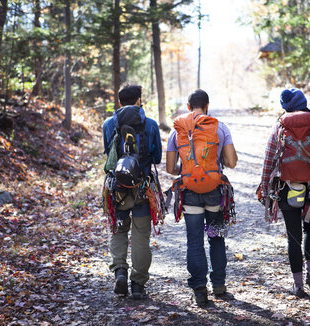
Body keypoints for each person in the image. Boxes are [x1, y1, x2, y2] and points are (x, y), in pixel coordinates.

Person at [259, 87, 310, 297]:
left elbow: (269, 159)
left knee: (293, 236)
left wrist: (263, 187)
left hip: (286, 188)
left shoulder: (279, 127)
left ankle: (297, 285)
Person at [166, 89, 238, 305]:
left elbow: (170, 168)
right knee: (216, 238)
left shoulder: (177, 130)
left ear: (188, 107)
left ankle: (199, 288)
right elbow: (232, 162)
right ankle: (218, 285)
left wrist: (189, 169)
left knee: (194, 241)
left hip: (189, 193)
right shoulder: (219, 127)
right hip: (215, 192)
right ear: (207, 105)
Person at [102, 84, 162, 298]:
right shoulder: (151, 125)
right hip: (143, 188)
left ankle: (119, 272)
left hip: (116, 188)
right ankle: (137, 285)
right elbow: (156, 158)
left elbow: (107, 153)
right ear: (139, 100)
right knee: (140, 236)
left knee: (118, 229)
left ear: (119, 102)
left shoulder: (109, 124)